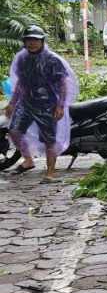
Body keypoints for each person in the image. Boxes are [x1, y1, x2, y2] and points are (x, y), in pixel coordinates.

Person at [4, 26, 78, 182]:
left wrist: (60, 105)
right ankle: (28, 160)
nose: (32, 43)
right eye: (29, 40)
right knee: (14, 130)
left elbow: (63, 83)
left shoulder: (52, 59)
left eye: (35, 40)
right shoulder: (22, 59)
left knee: (48, 139)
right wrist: (12, 102)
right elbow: (20, 83)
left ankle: (50, 173)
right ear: (24, 42)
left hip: (47, 104)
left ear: (42, 41)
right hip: (26, 101)